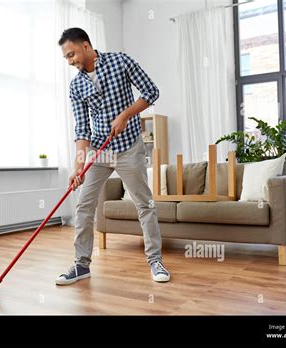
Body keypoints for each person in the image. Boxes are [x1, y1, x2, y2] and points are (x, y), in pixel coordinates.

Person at [56, 27, 170, 285]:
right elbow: (82, 128)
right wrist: (78, 166)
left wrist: (125, 115)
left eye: (72, 54)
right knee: (84, 206)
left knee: (145, 204)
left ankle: (156, 261)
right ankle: (81, 265)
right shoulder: (76, 86)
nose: (70, 61)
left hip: (129, 147)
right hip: (99, 150)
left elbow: (151, 92)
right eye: (66, 58)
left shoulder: (121, 61)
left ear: (86, 46)